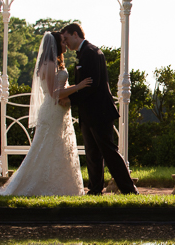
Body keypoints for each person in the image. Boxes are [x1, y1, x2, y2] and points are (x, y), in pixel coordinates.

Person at [0, 32, 91, 197]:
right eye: (62, 42)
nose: (65, 44)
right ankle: (44, 187)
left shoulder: (53, 63)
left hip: (58, 111)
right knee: (46, 149)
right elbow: (54, 93)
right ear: (55, 45)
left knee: (57, 149)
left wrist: (68, 97)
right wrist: (78, 87)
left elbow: (59, 91)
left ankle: (63, 187)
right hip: (52, 112)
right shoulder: (50, 64)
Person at [59, 23, 138, 195]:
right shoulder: (85, 53)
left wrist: (70, 99)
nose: (65, 43)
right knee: (92, 153)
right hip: (89, 114)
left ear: (75, 34)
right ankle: (95, 190)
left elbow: (92, 86)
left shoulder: (91, 53)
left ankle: (129, 190)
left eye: (65, 38)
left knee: (109, 153)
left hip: (99, 112)